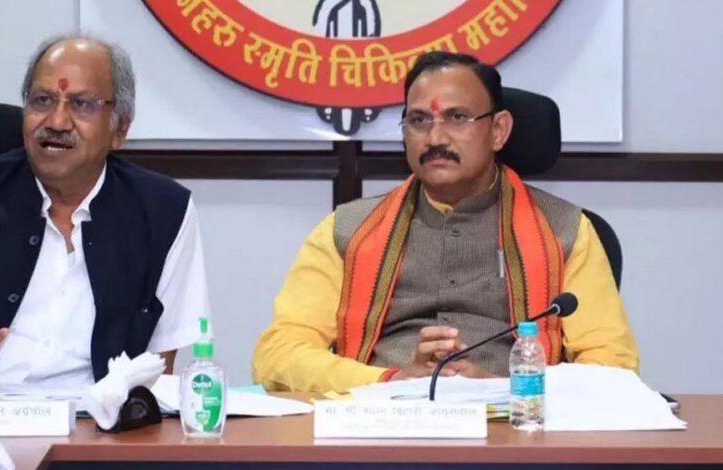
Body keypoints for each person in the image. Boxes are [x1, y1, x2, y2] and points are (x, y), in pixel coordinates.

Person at [253, 52, 638, 392]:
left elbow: (613, 367)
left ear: (498, 130)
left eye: (457, 118)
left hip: (512, 428)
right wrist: (391, 381)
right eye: (419, 120)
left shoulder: (565, 231)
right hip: (381, 425)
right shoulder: (348, 230)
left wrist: (504, 388)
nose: (435, 137)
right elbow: (277, 356)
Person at [0, 36, 209, 392]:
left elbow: (160, 372)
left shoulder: (165, 212)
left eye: (82, 104)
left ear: (120, 129)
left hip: (98, 421)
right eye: (42, 100)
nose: (57, 121)